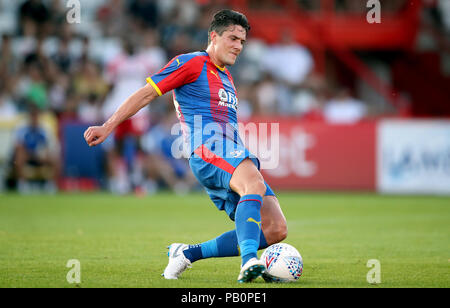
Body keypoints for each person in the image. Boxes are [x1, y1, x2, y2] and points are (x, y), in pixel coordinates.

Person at [83, 9, 287, 283]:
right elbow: (146, 93)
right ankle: (249, 261)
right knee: (255, 183)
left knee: (276, 228)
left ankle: (186, 253)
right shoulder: (192, 62)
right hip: (207, 149)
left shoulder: (227, 78)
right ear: (213, 36)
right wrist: (107, 126)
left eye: (242, 42)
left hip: (228, 152)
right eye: (232, 38)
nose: (238, 46)